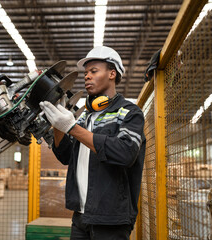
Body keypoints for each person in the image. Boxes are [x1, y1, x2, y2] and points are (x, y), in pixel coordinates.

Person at [39, 46, 146, 240]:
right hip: (81, 216)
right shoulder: (85, 117)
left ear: (112, 73)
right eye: (86, 73)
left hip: (111, 219)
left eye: (94, 71)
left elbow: (126, 153)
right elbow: (65, 157)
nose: (87, 76)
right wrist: (57, 124)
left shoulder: (130, 112)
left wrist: (71, 127)